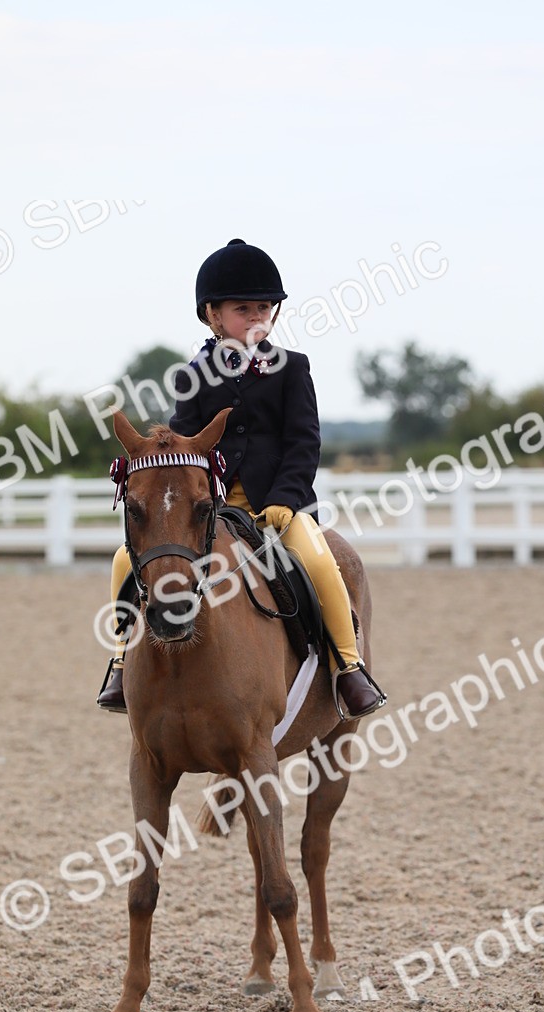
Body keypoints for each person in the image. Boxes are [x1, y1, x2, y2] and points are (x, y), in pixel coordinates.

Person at [97, 237, 387, 720]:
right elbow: (185, 447)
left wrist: (286, 499)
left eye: (263, 309)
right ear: (212, 315)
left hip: (279, 507)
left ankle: (348, 667)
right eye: (242, 309)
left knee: (320, 561)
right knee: (124, 561)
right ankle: (121, 661)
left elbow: (304, 442)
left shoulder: (292, 368)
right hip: (213, 510)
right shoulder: (193, 375)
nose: (256, 318)